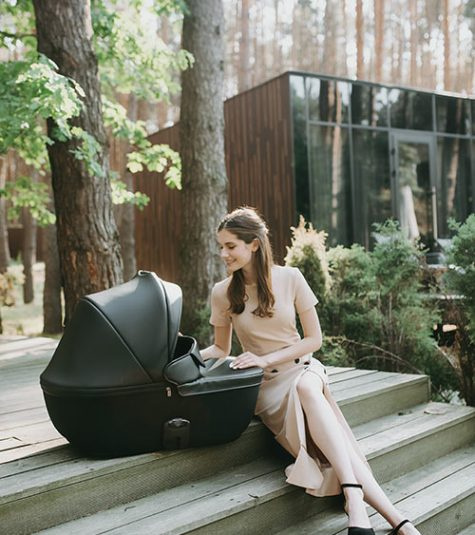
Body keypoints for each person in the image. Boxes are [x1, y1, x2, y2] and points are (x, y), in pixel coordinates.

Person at [201, 207, 421, 535]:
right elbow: (220, 349)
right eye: (221, 246)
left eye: (230, 246)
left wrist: (265, 358)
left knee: (306, 388)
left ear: (254, 245)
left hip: (303, 369)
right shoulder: (222, 292)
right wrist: (182, 356)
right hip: (268, 391)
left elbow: (313, 340)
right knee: (338, 443)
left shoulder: (290, 278)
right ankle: (397, 520)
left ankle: (356, 499)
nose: (223, 254)